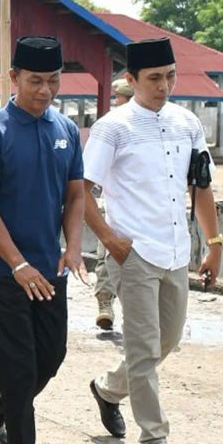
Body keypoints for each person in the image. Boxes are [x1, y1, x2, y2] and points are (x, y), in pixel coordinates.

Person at [83, 37, 222, 444]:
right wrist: (110, 240)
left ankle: (108, 389)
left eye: (170, 77)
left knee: (167, 340)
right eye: (155, 78)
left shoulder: (188, 124)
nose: (164, 86)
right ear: (132, 79)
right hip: (134, 252)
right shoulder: (113, 128)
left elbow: (202, 187)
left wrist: (214, 243)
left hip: (176, 250)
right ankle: (155, 441)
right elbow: (80, 191)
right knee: (143, 347)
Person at [0, 37, 87, 444]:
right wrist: (16, 263)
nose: (45, 90)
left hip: (48, 269)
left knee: (50, 357)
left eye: (53, 81)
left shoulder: (67, 130)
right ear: (14, 78)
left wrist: (73, 247)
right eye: (35, 81)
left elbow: (75, 195)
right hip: (1, 271)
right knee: (18, 367)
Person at [92, 75, 134, 330]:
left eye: (119, 98)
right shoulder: (109, 126)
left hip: (144, 212)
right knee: (106, 256)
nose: (116, 102)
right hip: (114, 206)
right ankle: (105, 304)